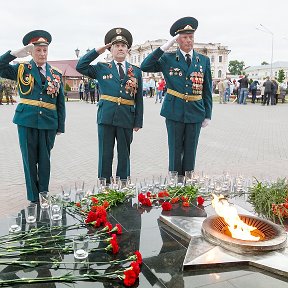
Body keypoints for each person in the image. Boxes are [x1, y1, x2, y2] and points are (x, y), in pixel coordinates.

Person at [141, 16, 212, 176]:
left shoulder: (204, 60)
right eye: (184, 37)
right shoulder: (167, 58)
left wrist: (208, 114)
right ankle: (174, 183)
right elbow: (145, 66)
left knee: (190, 149)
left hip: (195, 110)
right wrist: (163, 48)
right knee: (175, 148)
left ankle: (188, 182)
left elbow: (207, 89)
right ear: (177, 40)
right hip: (174, 110)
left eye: (191, 37)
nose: (188, 40)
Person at [0, 30, 66, 202]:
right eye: (38, 50)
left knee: (45, 160)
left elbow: (60, 102)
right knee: (29, 160)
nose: (42, 53)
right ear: (31, 51)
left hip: (49, 122)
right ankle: (33, 197)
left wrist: (60, 126)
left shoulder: (56, 74)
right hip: (26, 120)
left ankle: (43, 194)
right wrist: (14, 54)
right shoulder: (21, 69)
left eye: (45, 50)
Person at [76, 27, 143, 182]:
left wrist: (138, 121)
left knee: (124, 152)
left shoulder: (136, 71)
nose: (120, 48)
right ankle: (104, 183)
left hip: (127, 116)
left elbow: (138, 98)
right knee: (105, 152)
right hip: (106, 116)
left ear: (128, 50)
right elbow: (80, 66)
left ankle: (123, 182)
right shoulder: (101, 68)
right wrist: (97, 51)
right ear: (110, 49)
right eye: (116, 46)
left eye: (123, 46)